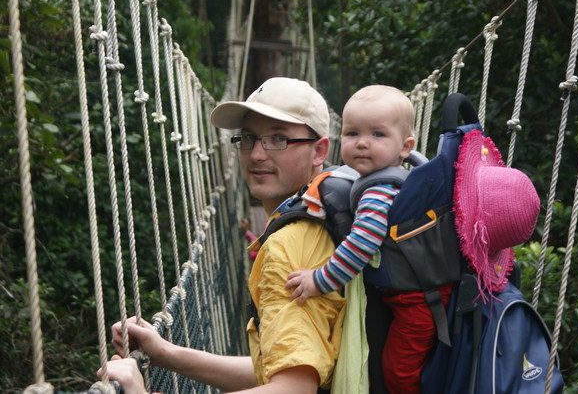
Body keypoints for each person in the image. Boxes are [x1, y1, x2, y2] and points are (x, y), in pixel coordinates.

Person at [99, 77, 345, 394]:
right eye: (248, 138)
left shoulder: (290, 243)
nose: (256, 154)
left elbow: (294, 388)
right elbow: (279, 368)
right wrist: (166, 354)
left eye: (278, 139)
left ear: (319, 150)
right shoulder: (322, 217)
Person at [284, 85, 451, 394]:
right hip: (416, 296)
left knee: (398, 373)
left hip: (417, 303)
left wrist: (319, 280)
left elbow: (363, 243)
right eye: (351, 133)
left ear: (405, 146)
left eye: (377, 135)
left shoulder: (378, 190)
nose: (361, 143)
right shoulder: (404, 171)